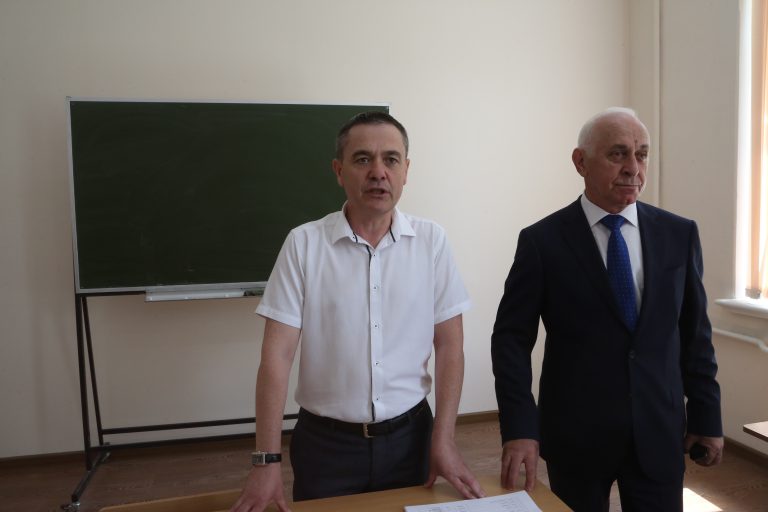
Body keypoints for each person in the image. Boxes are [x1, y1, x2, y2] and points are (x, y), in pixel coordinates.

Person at [231, 111, 483, 512]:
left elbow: (450, 346)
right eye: (363, 159)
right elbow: (276, 356)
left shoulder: (431, 242)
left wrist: (445, 438)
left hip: (411, 438)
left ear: (406, 171)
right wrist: (266, 461)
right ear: (339, 171)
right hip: (326, 447)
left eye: (391, 160)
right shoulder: (303, 245)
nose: (378, 172)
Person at [490, 107, 723, 512]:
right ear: (580, 162)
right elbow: (511, 340)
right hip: (576, 436)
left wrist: (706, 415)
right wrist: (520, 427)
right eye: (618, 154)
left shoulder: (678, 234)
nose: (634, 168)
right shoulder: (543, 242)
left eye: (642, 154)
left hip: (658, 429)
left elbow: (695, 334)